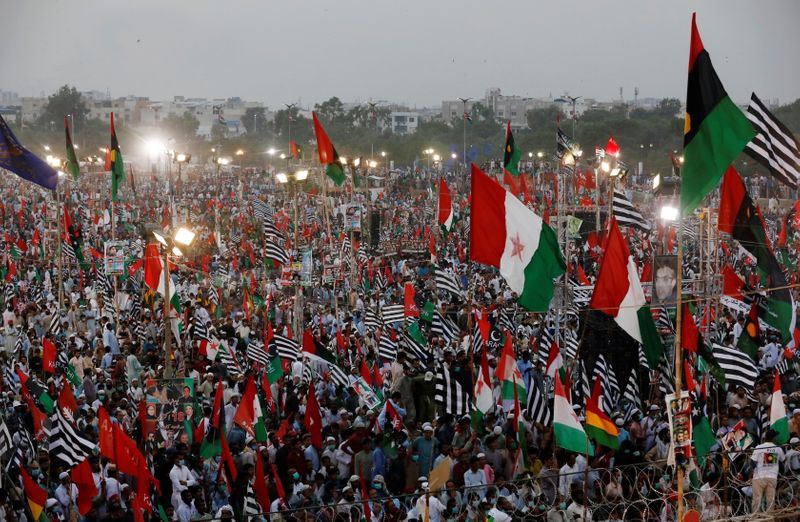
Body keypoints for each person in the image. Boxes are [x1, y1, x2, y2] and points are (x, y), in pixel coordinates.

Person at [750, 428, 785, 513]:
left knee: (757, 500)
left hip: (759, 477)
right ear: (773, 438)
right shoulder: (778, 449)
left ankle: (755, 519)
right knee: (770, 501)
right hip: (772, 477)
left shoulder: (758, 447)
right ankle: (769, 519)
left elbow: (752, 462)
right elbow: (783, 459)